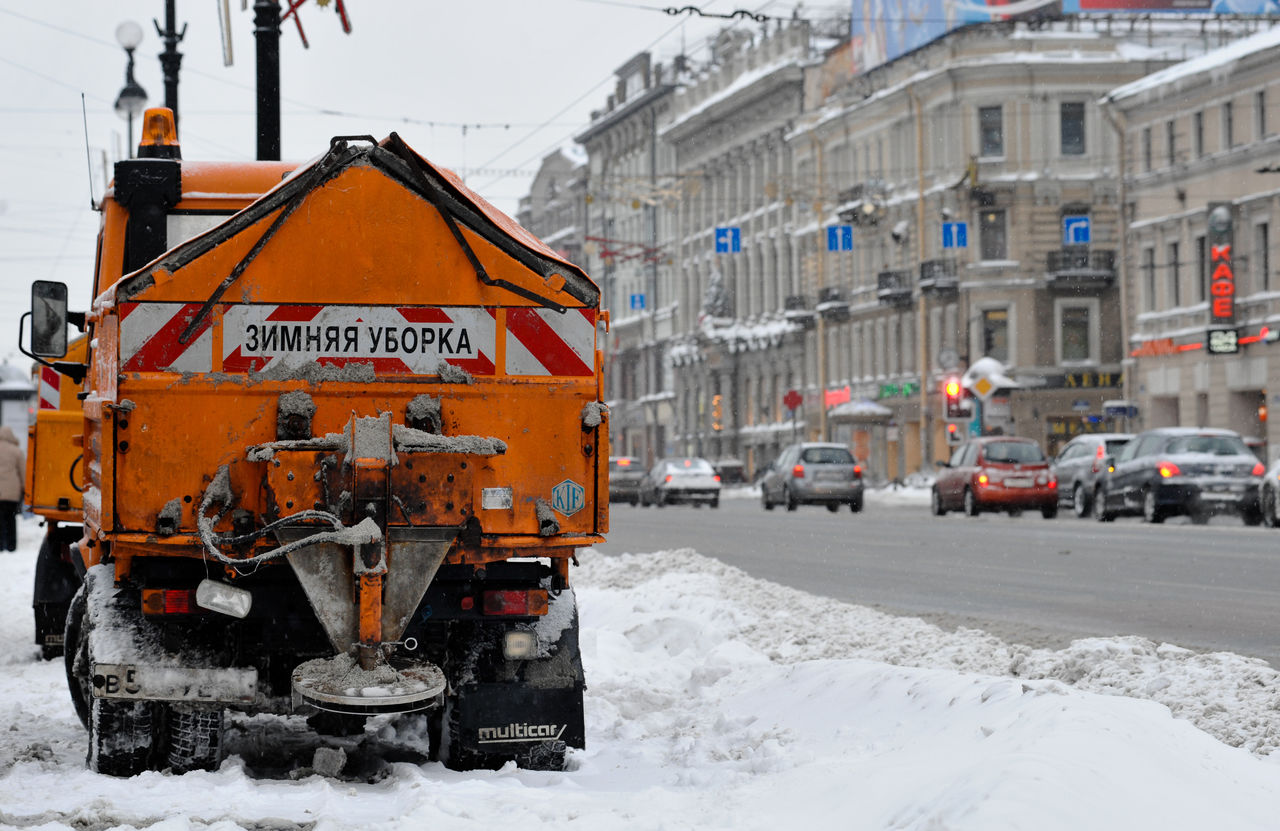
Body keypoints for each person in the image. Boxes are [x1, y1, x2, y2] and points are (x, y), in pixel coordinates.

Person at [0, 425, 24, 552]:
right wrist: (25, 489)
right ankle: (11, 545)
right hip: (11, 493)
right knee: (10, 518)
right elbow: (22, 472)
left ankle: (0, 545)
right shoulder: (16, 451)